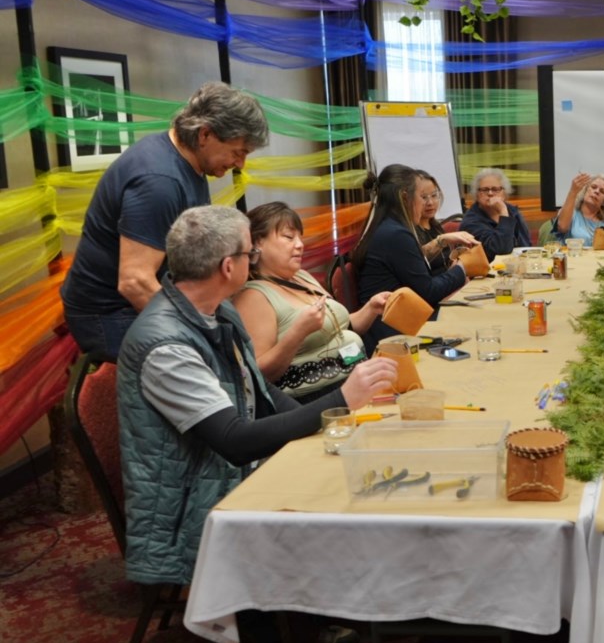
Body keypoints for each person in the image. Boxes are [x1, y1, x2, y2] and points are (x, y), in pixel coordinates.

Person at [117, 205, 397, 589]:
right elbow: (233, 442)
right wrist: (344, 400)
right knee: (345, 493)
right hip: (194, 501)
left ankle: (360, 591)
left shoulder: (216, 313)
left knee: (363, 469)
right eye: (249, 253)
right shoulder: (165, 345)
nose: (254, 261)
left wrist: (335, 425)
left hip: (222, 471)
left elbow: (264, 394)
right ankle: (298, 618)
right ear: (228, 268)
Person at [61, 82, 269, 360]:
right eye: (238, 152)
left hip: (142, 299)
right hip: (110, 314)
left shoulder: (190, 161)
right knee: (207, 368)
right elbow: (135, 282)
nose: (240, 164)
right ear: (205, 134)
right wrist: (196, 335)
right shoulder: (159, 182)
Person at [233, 202, 392, 403]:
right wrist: (298, 332)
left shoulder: (302, 277)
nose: (299, 244)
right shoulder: (253, 296)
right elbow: (261, 373)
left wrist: (371, 308)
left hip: (355, 381)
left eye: (300, 237)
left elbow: (338, 327)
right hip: (315, 401)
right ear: (257, 243)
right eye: (289, 237)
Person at [353, 165, 469, 353]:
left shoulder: (388, 226)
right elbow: (428, 292)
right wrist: (462, 269)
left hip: (396, 320)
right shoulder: (396, 235)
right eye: (421, 197)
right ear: (405, 197)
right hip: (392, 330)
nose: (425, 204)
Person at [411, 173, 478, 275]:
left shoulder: (436, 226)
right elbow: (416, 260)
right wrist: (442, 240)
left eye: (434, 195)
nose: (430, 202)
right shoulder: (410, 230)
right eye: (423, 197)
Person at [458, 168, 533, 260]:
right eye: (485, 190)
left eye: (495, 189)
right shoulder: (471, 222)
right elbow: (500, 250)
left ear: (504, 193)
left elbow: (526, 245)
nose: (490, 193)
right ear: (476, 194)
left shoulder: (513, 211)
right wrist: (503, 212)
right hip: (487, 271)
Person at [551, 172, 604, 247]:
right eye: (593, 187)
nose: (597, 191)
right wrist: (573, 191)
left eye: (602, 191)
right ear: (585, 191)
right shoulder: (570, 214)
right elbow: (562, 227)